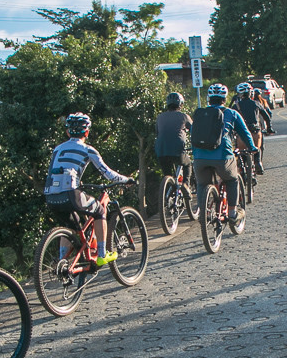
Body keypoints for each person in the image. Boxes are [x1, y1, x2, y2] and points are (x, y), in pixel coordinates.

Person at [44, 112, 133, 266]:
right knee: (99, 211)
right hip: (71, 193)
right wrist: (126, 180)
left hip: (51, 196)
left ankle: (62, 262)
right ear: (87, 132)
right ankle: (101, 254)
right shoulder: (87, 149)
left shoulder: (57, 149)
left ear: (67, 132)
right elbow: (108, 174)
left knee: (71, 226)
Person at [193, 83, 257, 225]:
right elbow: (245, 133)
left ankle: (203, 211)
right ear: (225, 98)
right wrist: (252, 147)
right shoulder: (231, 113)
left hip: (199, 158)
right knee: (232, 179)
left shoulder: (199, 113)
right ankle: (233, 212)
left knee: (202, 184)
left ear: (209, 98)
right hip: (222, 157)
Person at [155, 91, 192, 189]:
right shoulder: (184, 116)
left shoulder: (160, 117)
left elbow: (158, 133)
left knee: (167, 174)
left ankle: (168, 194)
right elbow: (194, 130)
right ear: (180, 104)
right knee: (187, 164)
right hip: (177, 151)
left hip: (161, 151)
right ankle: (186, 186)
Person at [232, 82, 270, 174]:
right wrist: (269, 127)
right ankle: (258, 162)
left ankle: (242, 168)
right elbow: (266, 117)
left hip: (241, 135)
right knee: (257, 148)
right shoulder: (256, 104)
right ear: (250, 93)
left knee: (241, 151)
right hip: (255, 131)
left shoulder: (236, 106)